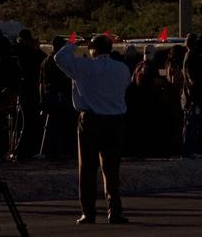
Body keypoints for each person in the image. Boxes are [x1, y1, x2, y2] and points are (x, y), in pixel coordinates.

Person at [55, 34, 132, 225]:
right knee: (112, 169)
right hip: (115, 121)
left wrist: (74, 42)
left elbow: (59, 58)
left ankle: (88, 212)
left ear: (93, 50)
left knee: (88, 169)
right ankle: (114, 210)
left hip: (91, 120)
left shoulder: (85, 67)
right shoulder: (122, 68)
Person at [40, 36, 76, 160]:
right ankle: (61, 150)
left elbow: (41, 83)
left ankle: (50, 150)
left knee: (52, 125)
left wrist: (42, 99)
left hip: (49, 95)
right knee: (62, 124)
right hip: (59, 95)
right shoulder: (58, 61)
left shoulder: (45, 61)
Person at [11, 29, 46, 161]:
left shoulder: (16, 51)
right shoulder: (28, 52)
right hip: (30, 90)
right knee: (29, 121)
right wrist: (36, 48)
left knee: (22, 121)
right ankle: (24, 150)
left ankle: (20, 149)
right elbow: (42, 60)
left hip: (22, 89)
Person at [181, 33, 202, 158]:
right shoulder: (191, 57)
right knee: (191, 124)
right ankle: (188, 151)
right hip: (193, 97)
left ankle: (189, 150)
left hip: (192, 96)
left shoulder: (191, 56)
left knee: (192, 124)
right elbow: (192, 79)